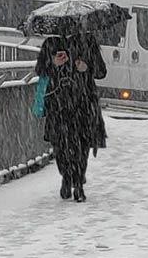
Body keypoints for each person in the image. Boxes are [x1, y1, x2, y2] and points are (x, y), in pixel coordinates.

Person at [35, 34, 107, 202]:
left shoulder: (88, 41)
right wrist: (53, 63)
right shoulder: (52, 43)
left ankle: (78, 183)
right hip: (58, 107)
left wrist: (86, 67)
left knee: (82, 146)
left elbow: (101, 71)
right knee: (60, 146)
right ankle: (67, 177)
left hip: (84, 105)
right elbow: (40, 69)